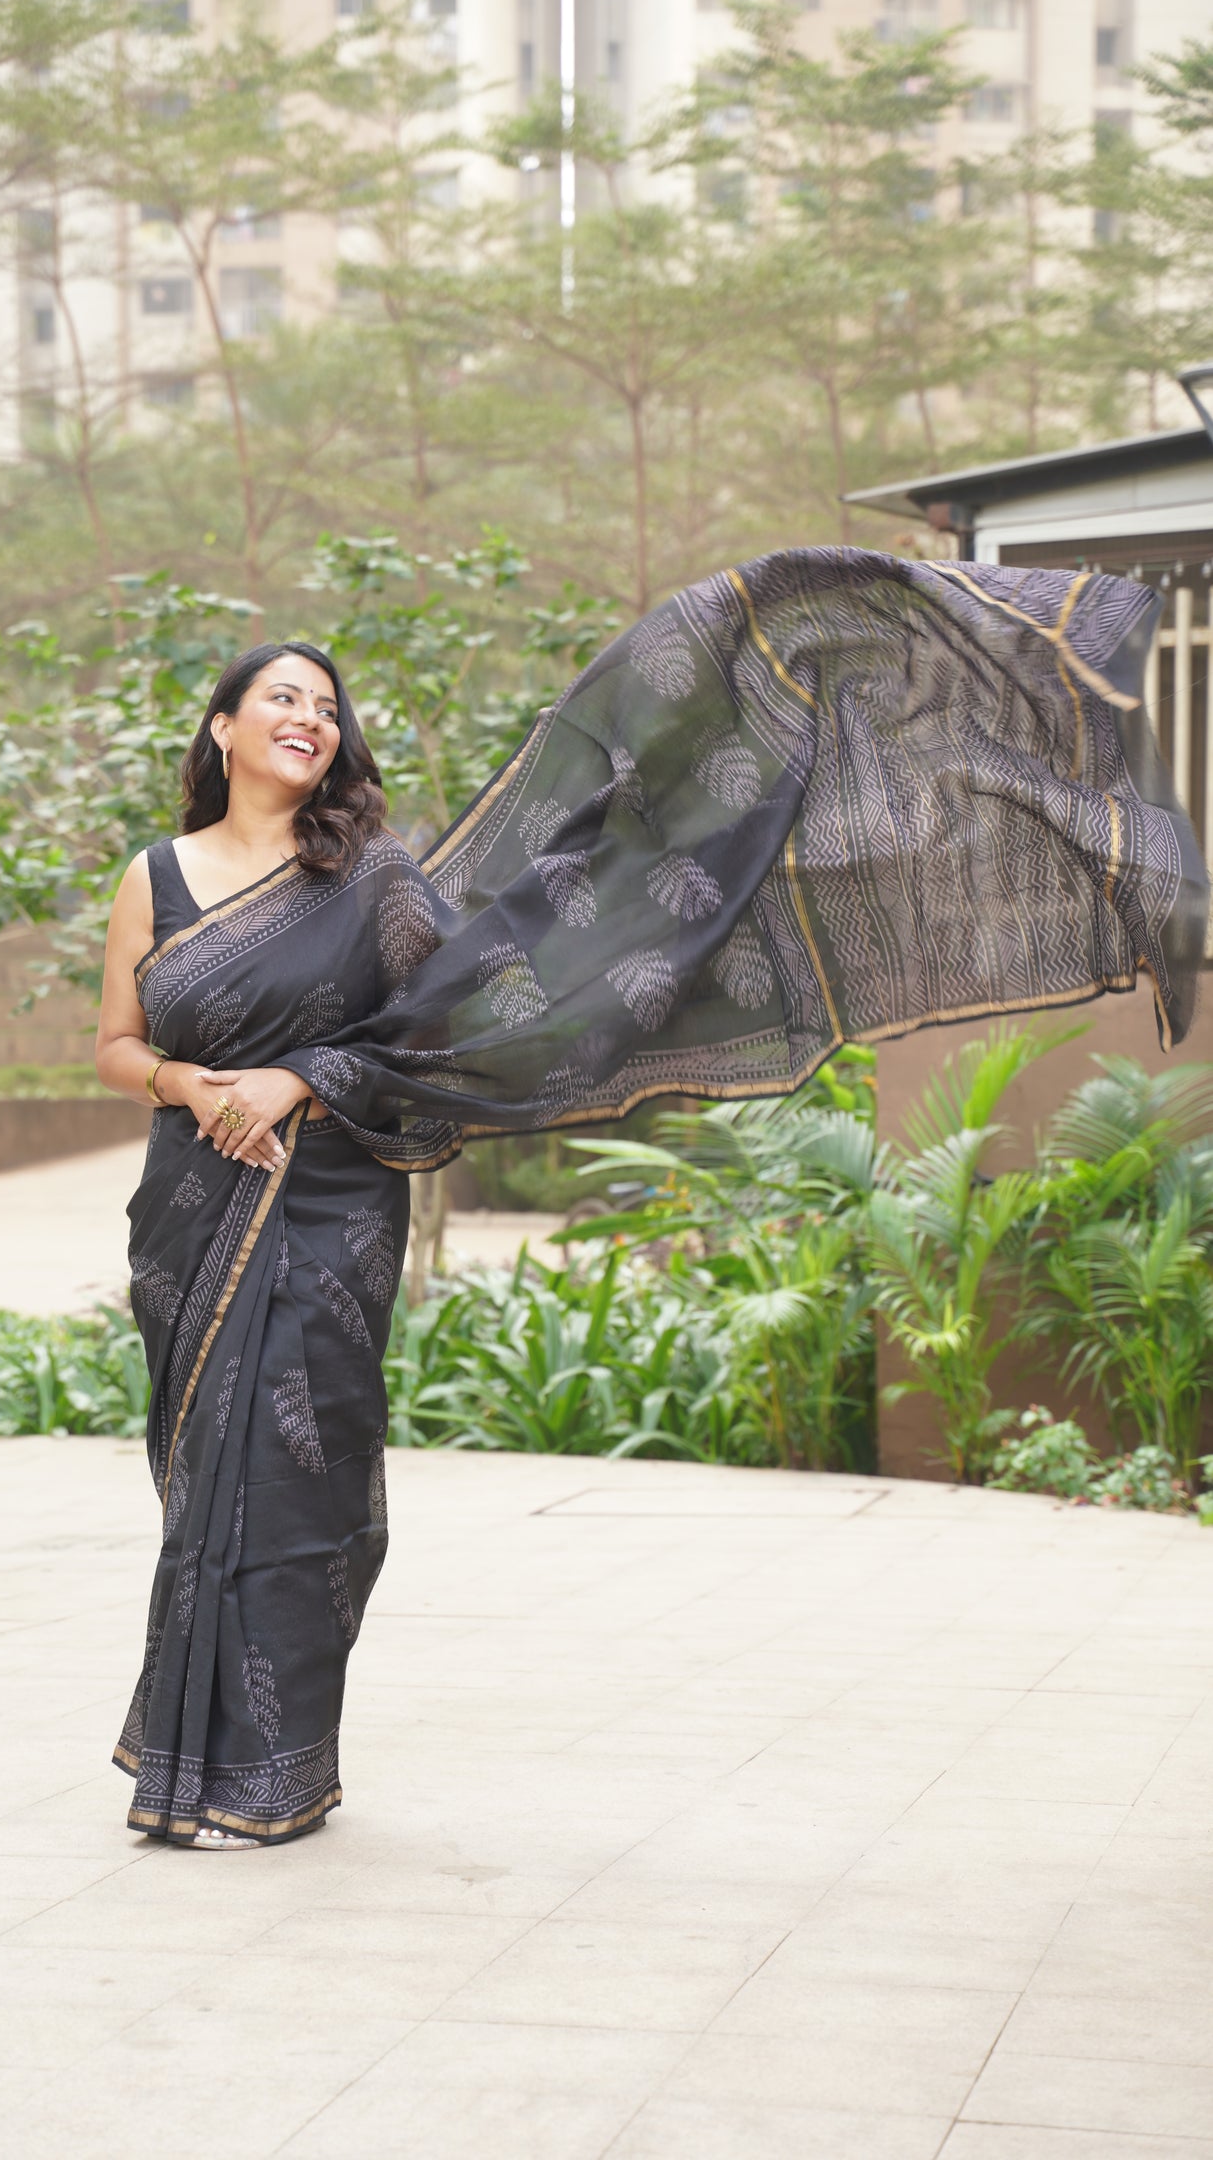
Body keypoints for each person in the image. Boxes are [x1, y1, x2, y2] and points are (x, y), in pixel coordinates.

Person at [96, 549, 1207, 1850]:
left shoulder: (375, 880)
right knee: (198, 1491)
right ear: (221, 725)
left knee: (297, 1483)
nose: (308, 718)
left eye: (327, 707)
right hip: (186, 1216)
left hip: (328, 1207)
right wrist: (188, 1078)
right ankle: (178, 1768)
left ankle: (271, 1779)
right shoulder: (153, 879)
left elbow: (461, 1021)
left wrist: (298, 1076)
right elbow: (114, 1047)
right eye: (282, 697)